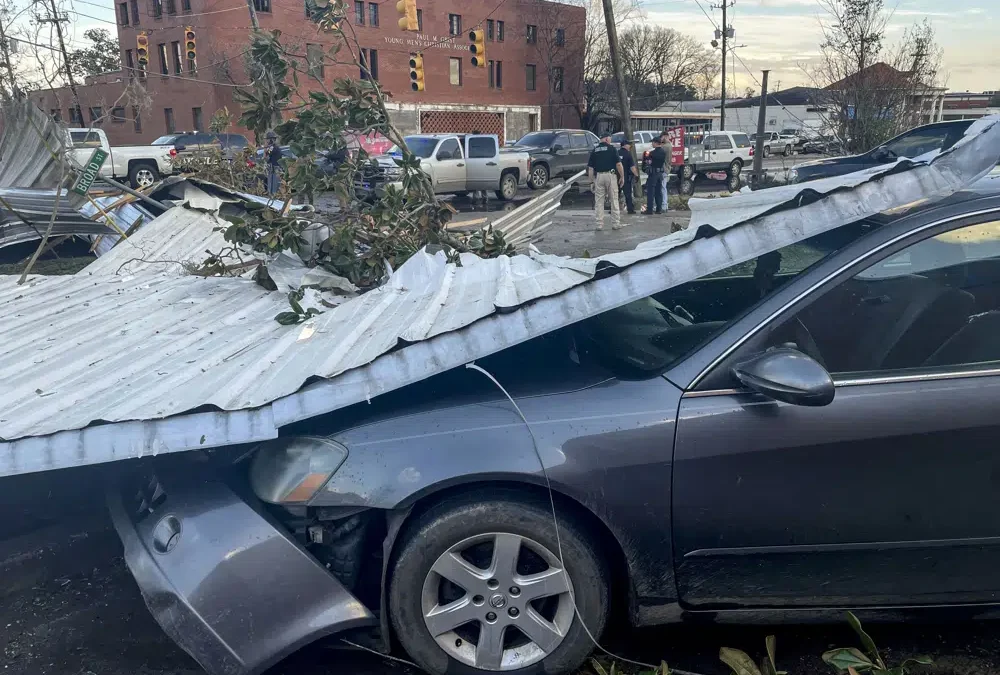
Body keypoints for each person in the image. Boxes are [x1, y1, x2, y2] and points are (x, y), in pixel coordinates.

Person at [587, 133, 624, 230]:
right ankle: (616, 223)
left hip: (599, 176)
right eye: (610, 138)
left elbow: (590, 169)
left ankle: (599, 224)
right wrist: (622, 177)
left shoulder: (595, 150)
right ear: (607, 139)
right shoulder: (612, 149)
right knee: (614, 200)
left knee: (599, 201)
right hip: (610, 176)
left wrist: (591, 182)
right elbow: (619, 165)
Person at [645, 137, 668, 215]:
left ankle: (649, 210)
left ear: (655, 143)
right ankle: (659, 209)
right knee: (659, 192)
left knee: (651, 192)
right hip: (660, 173)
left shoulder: (652, 153)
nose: (652, 144)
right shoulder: (663, 152)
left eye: (653, 142)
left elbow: (648, 162)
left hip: (653, 173)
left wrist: (647, 156)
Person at [618, 139, 639, 215]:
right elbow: (632, 167)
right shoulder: (628, 154)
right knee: (628, 193)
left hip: (616, 176)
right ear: (625, 145)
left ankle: (614, 209)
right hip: (626, 177)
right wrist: (636, 175)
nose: (630, 146)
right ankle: (630, 209)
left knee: (615, 193)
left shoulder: (617, 153)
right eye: (629, 144)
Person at [265, 130, 283, 196]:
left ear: (272, 140)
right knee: (271, 183)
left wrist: (266, 148)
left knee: (274, 184)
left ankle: (273, 196)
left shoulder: (273, 147)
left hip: (275, 168)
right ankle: (271, 195)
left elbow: (267, 156)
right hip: (272, 167)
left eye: (268, 139)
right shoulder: (272, 147)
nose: (267, 141)